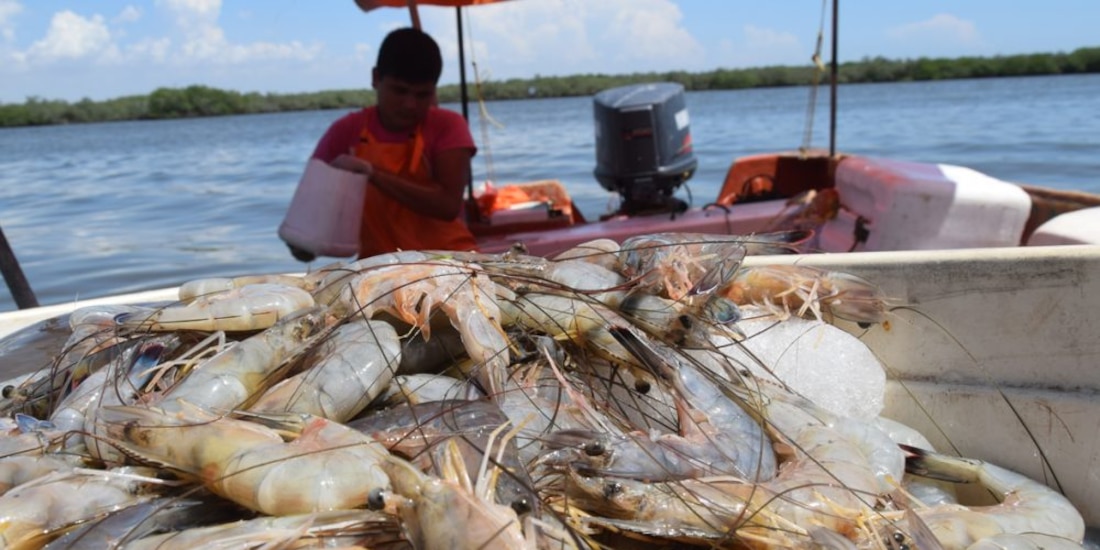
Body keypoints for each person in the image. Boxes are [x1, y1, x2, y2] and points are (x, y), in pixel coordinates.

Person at [289, 27, 477, 261]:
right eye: (400, 91)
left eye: (422, 95)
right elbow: (302, 250)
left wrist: (372, 174)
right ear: (376, 78)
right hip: (377, 268)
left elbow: (447, 206)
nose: (410, 104)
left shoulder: (449, 125)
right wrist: (304, 238)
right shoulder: (345, 132)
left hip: (451, 261)